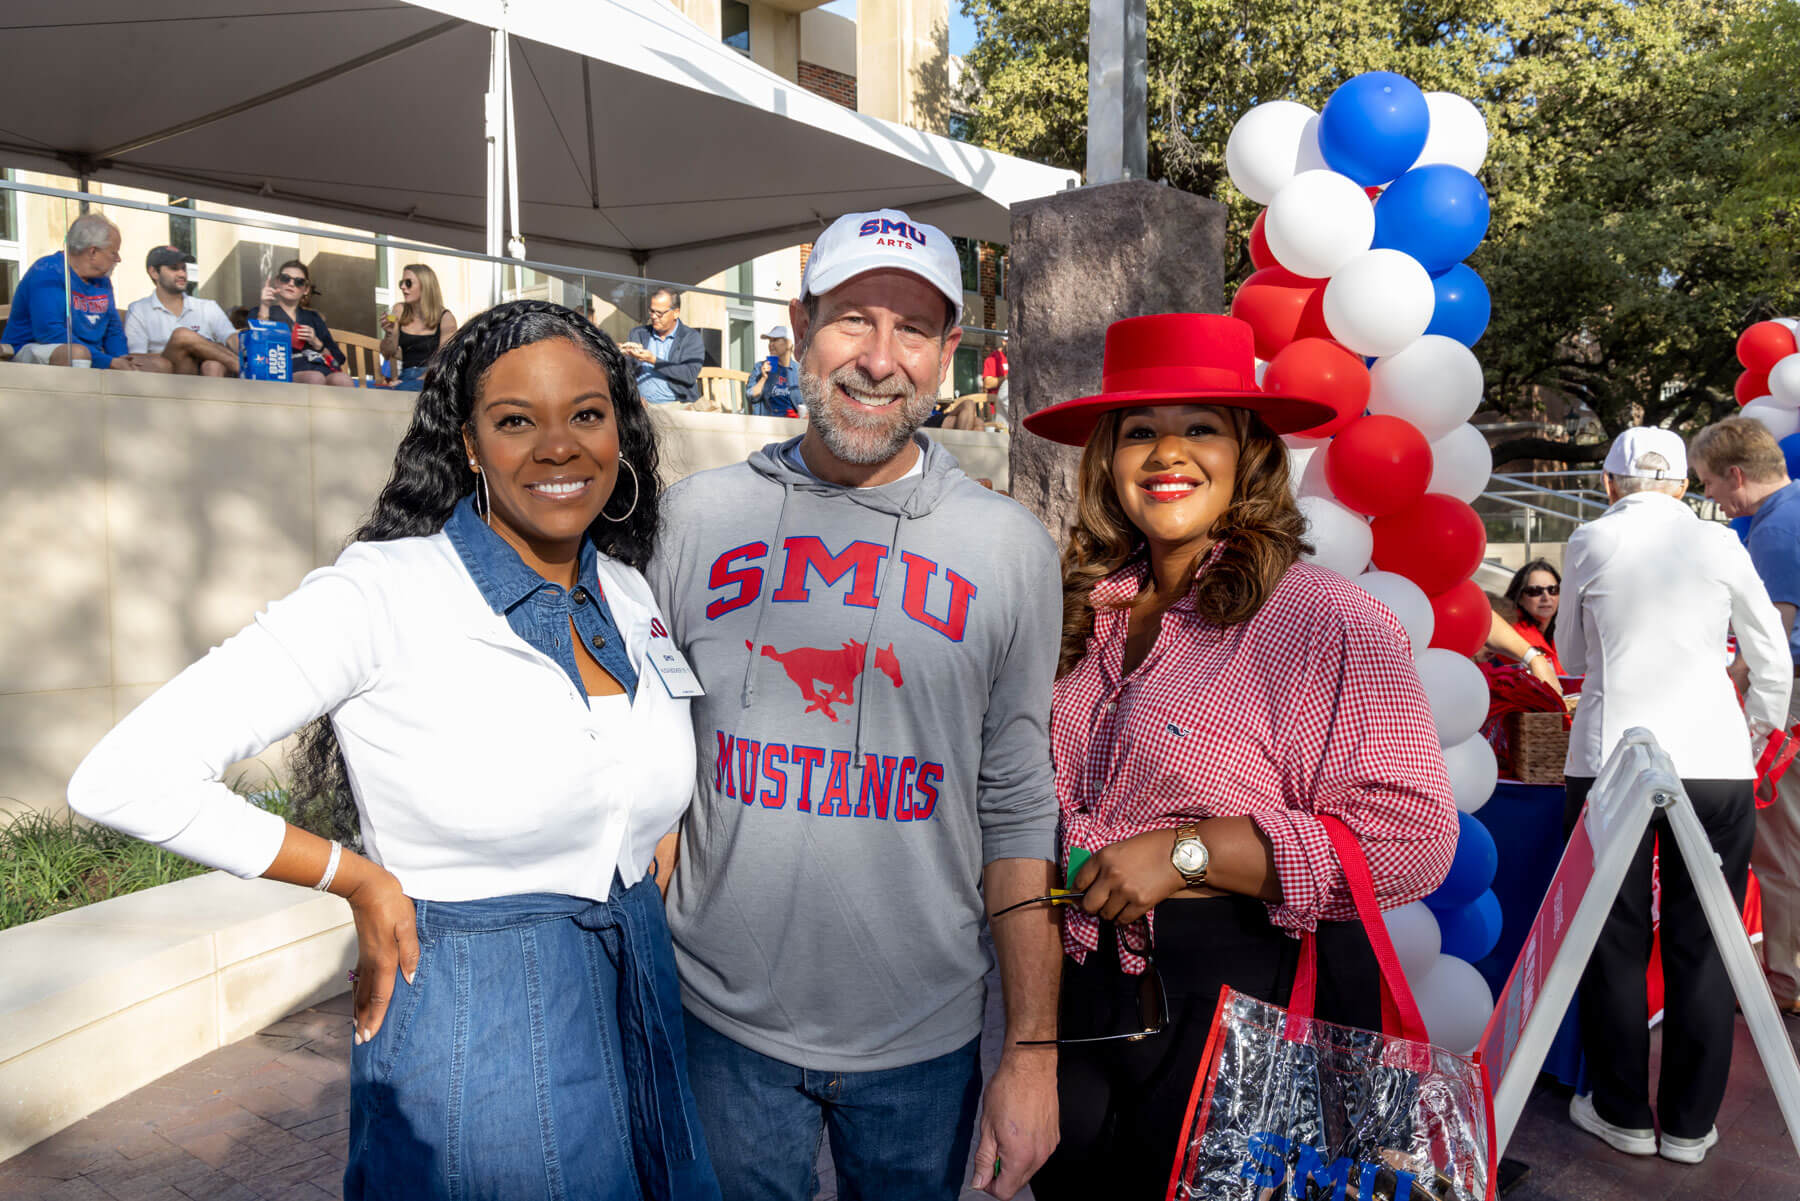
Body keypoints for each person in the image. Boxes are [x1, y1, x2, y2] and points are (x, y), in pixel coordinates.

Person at [67, 302, 721, 1201]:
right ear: (467, 444)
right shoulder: (383, 593)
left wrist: (641, 835)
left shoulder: (625, 588)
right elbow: (124, 776)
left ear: (621, 428)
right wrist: (357, 877)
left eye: (587, 413)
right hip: (475, 1030)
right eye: (516, 420)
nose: (559, 445)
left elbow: (630, 773)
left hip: (634, 1001)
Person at [646, 207, 1064, 1201]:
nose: (878, 360)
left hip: (924, 1043)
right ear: (799, 325)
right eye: (852, 320)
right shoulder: (693, 522)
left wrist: (1032, 1054)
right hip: (719, 1032)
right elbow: (650, 780)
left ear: (948, 353)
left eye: (912, 329)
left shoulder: (1007, 549)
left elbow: (1018, 804)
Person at [1017, 312, 1459, 1199]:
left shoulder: (1323, 616)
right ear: (1107, 458)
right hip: (1079, 990)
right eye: (1139, 431)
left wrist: (1191, 852)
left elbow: (1414, 838)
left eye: (1199, 428)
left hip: (1236, 1001)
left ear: (1248, 452)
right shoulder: (1079, 610)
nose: (1165, 452)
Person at [1557, 426, 1790, 1166]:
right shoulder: (1723, 545)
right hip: (1715, 759)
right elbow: (1770, 654)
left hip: (1610, 758)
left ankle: (1623, 1110)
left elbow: (1570, 654)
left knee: (1612, 937)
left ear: (1609, 482)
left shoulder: (1590, 541)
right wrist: (1755, 733)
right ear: (1684, 485)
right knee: (1706, 940)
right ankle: (1690, 1125)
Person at [1692, 416, 1800, 1015]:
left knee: (1781, 848)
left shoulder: (1774, 528)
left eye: (1709, 482)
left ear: (1736, 474)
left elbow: (1770, 647)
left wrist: (1725, 684)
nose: (1709, 495)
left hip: (1793, 697)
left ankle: (1784, 983)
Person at [1, 213, 171, 372]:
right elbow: (50, 333)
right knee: (77, 354)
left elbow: (113, 330)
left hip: (93, 354)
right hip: (30, 351)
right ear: (93, 252)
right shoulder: (47, 271)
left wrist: (121, 360)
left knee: (160, 365)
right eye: (114, 252)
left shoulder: (102, 280)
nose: (118, 259)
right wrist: (109, 362)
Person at [124, 246, 239, 377]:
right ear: (154, 272)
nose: (182, 274)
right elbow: (135, 358)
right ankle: (243, 367)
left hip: (201, 377)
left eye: (184, 268)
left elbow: (231, 337)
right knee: (182, 335)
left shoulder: (207, 306)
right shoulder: (139, 309)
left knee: (213, 365)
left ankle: (213, 395)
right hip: (166, 379)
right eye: (174, 268)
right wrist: (187, 348)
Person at [255, 259, 351, 386]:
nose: (291, 284)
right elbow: (257, 345)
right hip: (281, 371)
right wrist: (265, 305)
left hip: (318, 367)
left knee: (343, 379)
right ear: (277, 283)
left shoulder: (313, 317)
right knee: (315, 378)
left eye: (299, 282)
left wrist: (316, 342)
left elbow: (338, 359)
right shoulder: (262, 311)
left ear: (306, 289)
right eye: (285, 278)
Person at [378, 263, 458, 391]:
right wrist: (389, 332)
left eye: (408, 283)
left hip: (432, 380)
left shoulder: (446, 318)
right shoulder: (399, 310)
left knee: (395, 391)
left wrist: (413, 382)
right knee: (357, 387)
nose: (403, 287)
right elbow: (388, 353)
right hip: (405, 377)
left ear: (425, 286)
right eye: (401, 283)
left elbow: (442, 360)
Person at [622, 287, 705, 405]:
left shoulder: (690, 337)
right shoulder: (638, 333)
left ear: (676, 313)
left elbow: (688, 374)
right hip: (641, 406)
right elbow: (627, 372)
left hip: (676, 405)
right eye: (651, 311)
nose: (654, 317)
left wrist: (653, 360)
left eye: (659, 313)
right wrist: (621, 353)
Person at [1503, 558, 1564, 676]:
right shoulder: (1511, 639)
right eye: (1535, 591)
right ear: (1519, 597)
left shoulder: (1566, 634)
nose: (1546, 597)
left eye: (1553, 590)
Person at [744, 324, 800, 417]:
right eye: (770, 341)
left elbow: (806, 404)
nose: (771, 344)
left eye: (775, 340)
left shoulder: (799, 371)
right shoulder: (760, 367)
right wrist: (763, 378)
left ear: (789, 344)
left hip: (792, 423)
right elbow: (750, 397)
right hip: (768, 422)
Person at [981, 335, 1008, 423]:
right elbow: (987, 383)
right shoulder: (993, 358)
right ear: (1004, 342)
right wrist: (1007, 378)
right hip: (998, 411)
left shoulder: (1017, 358)